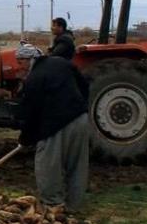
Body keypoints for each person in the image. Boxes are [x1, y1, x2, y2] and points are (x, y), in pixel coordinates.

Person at [15, 42, 91, 213]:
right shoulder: (61, 62)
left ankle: (53, 205)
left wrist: (25, 138)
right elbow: (84, 85)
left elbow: (31, 114)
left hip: (55, 126)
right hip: (80, 119)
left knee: (47, 166)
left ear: (29, 59)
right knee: (77, 165)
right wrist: (81, 106)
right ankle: (74, 206)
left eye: (20, 62)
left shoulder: (33, 79)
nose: (19, 66)